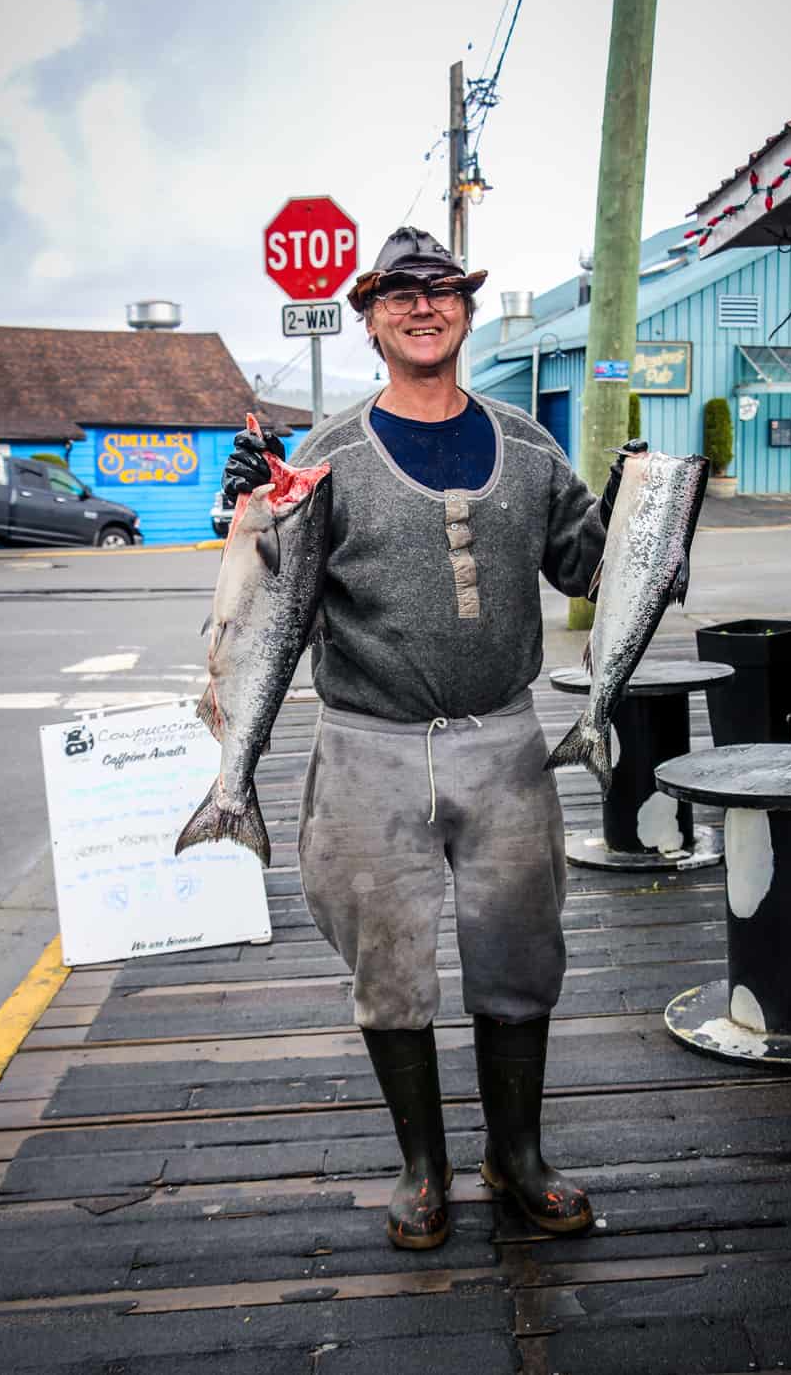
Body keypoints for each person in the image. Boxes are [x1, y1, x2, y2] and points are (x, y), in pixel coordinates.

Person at [222, 226, 626, 1251]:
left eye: (440, 289)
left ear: (466, 310)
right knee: (388, 964)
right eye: (397, 294)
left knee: (521, 951)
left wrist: (642, 519)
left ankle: (517, 1157)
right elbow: (268, 603)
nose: (421, 306)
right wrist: (250, 517)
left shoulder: (528, 443)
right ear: (369, 321)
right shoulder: (324, 458)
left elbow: (588, 570)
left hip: (506, 744)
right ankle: (422, 1167)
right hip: (367, 745)